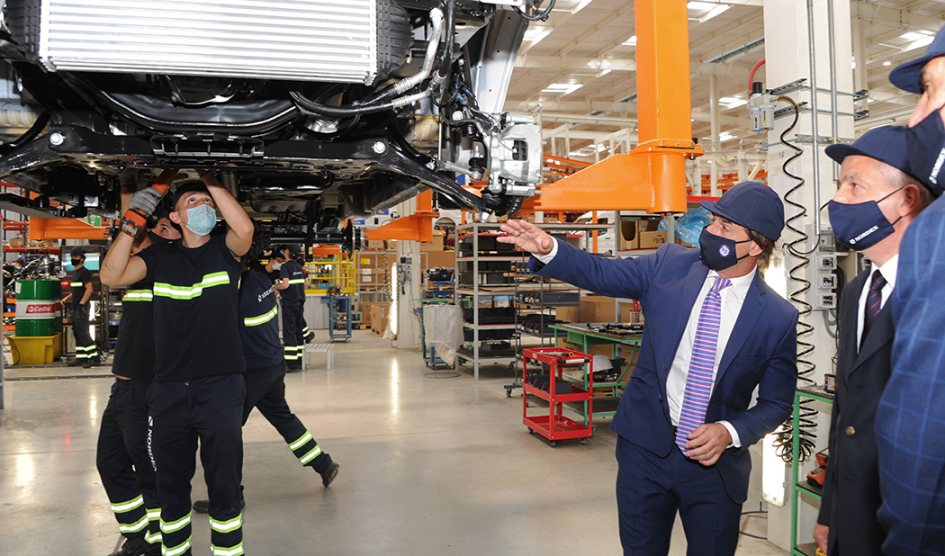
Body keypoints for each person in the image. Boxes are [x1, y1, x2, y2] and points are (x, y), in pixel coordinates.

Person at [499, 181, 798, 556]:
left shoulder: (777, 317)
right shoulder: (669, 265)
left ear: (755, 246)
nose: (709, 232)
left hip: (715, 468)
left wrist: (728, 431)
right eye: (713, 221)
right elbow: (602, 273)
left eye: (724, 228)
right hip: (645, 452)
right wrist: (551, 249)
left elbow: (777, 403)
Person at [100, 171, 255, 556]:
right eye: (192, 202)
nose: (202, 206)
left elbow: (245, 227)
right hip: (168, 391)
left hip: (220, 386)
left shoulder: (225, 251)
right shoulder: (158, 258)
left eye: (207, 202)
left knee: (224, 483)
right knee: (170, 488)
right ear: (175, 218)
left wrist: (211, 178)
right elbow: (111, 275)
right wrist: (131, 223)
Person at [810, 126, 931, 556]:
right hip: (854, 518)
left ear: (907, 199)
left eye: (854, 185)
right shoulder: (858, 291)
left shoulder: (934, 293)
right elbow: (848, 412)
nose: (838, 200)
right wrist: (830, 512)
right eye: (840, 184)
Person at [191, 249, 340, 514]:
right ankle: (323, 464)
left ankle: (231, 496)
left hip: (252, 370)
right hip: (273, 364)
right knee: (284, 418)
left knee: (225, 431)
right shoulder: (261, 280)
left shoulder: (237, 291)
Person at [872, 26, 945, 556]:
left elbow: (923, 421)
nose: (918, 116)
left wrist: (906, 538)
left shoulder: (936, 230)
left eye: (931, 90)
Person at [96, 210, 181, 556]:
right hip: (123, 388)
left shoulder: (167, 266)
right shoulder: (140, 267)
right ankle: (138, 532)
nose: (154, 233)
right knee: (110, 462)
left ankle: (161, 542)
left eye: (164, 229)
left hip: (147, 390)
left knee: (150, 472)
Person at [62, 246, 100, 368]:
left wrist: (82, 305)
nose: (73, 259)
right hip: (76, 306)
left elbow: (89, 289)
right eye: (72, 257)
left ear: (82, 259)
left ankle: (94, 357)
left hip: (81, 306)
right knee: (77, 331)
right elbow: (78, 290)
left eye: (76, 257)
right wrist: (67, 298)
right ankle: (82, 357)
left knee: (82, 331)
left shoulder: (84, 272)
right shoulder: (76, 273)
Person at [279, 244, 307, 371]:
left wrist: (275, 286)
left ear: (287, 253)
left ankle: (291, 363)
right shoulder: (298, 267)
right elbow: (306, 283)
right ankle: (300, 360)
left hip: (289, 304)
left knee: (289, 332)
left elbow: (285, 285)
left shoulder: (285, 267)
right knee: (298, 331)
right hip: (299, 304)